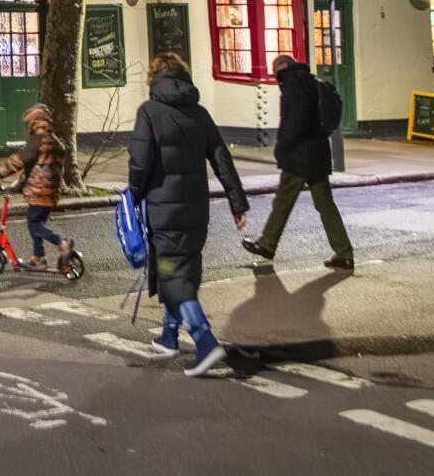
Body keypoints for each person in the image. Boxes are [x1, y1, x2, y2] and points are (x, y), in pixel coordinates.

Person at [127, 51, 250, 378]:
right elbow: (222, 158)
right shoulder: (200, 114)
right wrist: (238, 201)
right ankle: (169, 334)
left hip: (163, 212)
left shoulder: (149, 113)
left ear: (154, 79)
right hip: (196, 210)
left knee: (172, 275)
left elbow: (139, 163)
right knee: (183, 271)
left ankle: (204, 339)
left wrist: (132, 197)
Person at [243, 54, 354, 272]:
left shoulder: (292, 85)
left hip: (299, 155)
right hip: (319, 152)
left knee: (283, 201)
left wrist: (281, 148)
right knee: (325, 205)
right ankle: (344, 253)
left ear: (279, 70)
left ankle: (267, 244)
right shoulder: (312, 82)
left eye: (275, 73)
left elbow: (293, 121)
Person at [0, 103, 74, 272]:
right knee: (36, 224)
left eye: (29, 123)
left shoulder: (38, 139)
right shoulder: (54, 140)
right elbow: (34, 166)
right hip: (51, 192)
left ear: (35, 122)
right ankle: (38, 259)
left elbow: (20, 159)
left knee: (34, 224)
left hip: (39, 191)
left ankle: (62, 243)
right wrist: (20, 183)